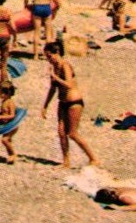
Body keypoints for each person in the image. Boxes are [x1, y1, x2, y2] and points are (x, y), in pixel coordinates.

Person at [41, 41, 98, 170]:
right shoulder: (54, 68)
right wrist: (45, 105)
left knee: (72, 133)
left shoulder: (65, 65)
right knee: (61, 132)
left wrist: (55, 77)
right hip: (62, 102)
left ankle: (93, 158)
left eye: (50, 56)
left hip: (74, 102)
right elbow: (52, 88)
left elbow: (69, 85)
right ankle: (66, 162)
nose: (48, 59)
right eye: (46, 57)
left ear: (57, 53)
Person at [0, 82, 20, 163]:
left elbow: (12, 115)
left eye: (1, 93)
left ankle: (13, 154)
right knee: (7, 140)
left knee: (5, 140)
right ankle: (10, 157)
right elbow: (3, 112)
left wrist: (1, 117)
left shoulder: (10, 103)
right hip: (6, 125)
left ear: (8, 93)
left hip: (12, 125)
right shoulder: (4, 101)